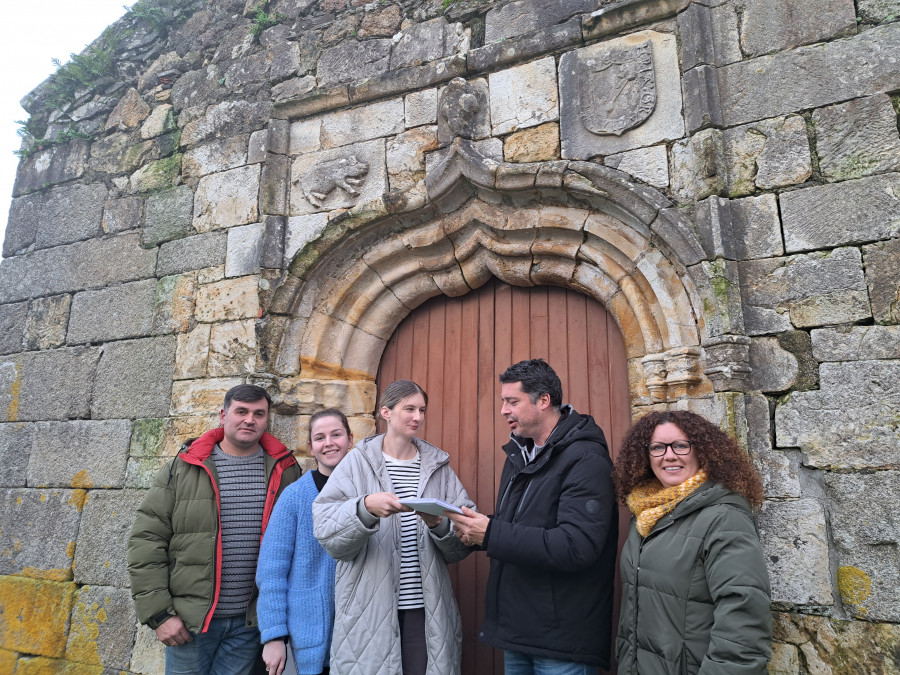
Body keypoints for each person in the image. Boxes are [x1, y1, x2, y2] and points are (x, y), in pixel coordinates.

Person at [448, 358, 618, 674]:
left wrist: (491, 534)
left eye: (512, 401)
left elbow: (576, 546)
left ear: (543, 400)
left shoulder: (586, 459)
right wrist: (469, 527)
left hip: (562, 643)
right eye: (503, 401)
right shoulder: (520, 455)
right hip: (519, 634)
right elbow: (518, 528)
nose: (503, 411)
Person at [128, 384, 301, 675]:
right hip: (192, 624)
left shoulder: (286, 471)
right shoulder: (183, 468)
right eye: (241, 412)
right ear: (223, 415)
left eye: (259, 414)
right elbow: (146, 541)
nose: (250, 420)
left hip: (250, 626)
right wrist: (159, 615)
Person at [312, 380, 474, 675]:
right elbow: (327, 531)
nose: (417, 417)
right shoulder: (356, 463)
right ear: (385, 412)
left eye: (422, 410)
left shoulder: (438, 466)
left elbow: (465, 539)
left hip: (426, 611)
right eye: (409, 409)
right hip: (368, 610)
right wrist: (364, 509)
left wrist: (439, 525)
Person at [613, 410, 771, 675]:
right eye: (657, 447)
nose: (669, 455)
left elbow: (744, 615)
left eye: (681, 445)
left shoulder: (724, 517)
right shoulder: (645, 515)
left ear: (703, 451)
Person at [256, 408, 354, 675]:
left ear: (350, 439)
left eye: (336, 434)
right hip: (307, 638)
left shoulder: (368, 496)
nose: (329, 443)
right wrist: (274, 635)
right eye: (320, 438)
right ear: (311, 447)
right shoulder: (295, 497)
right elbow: (271, 571)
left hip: (359, 640)